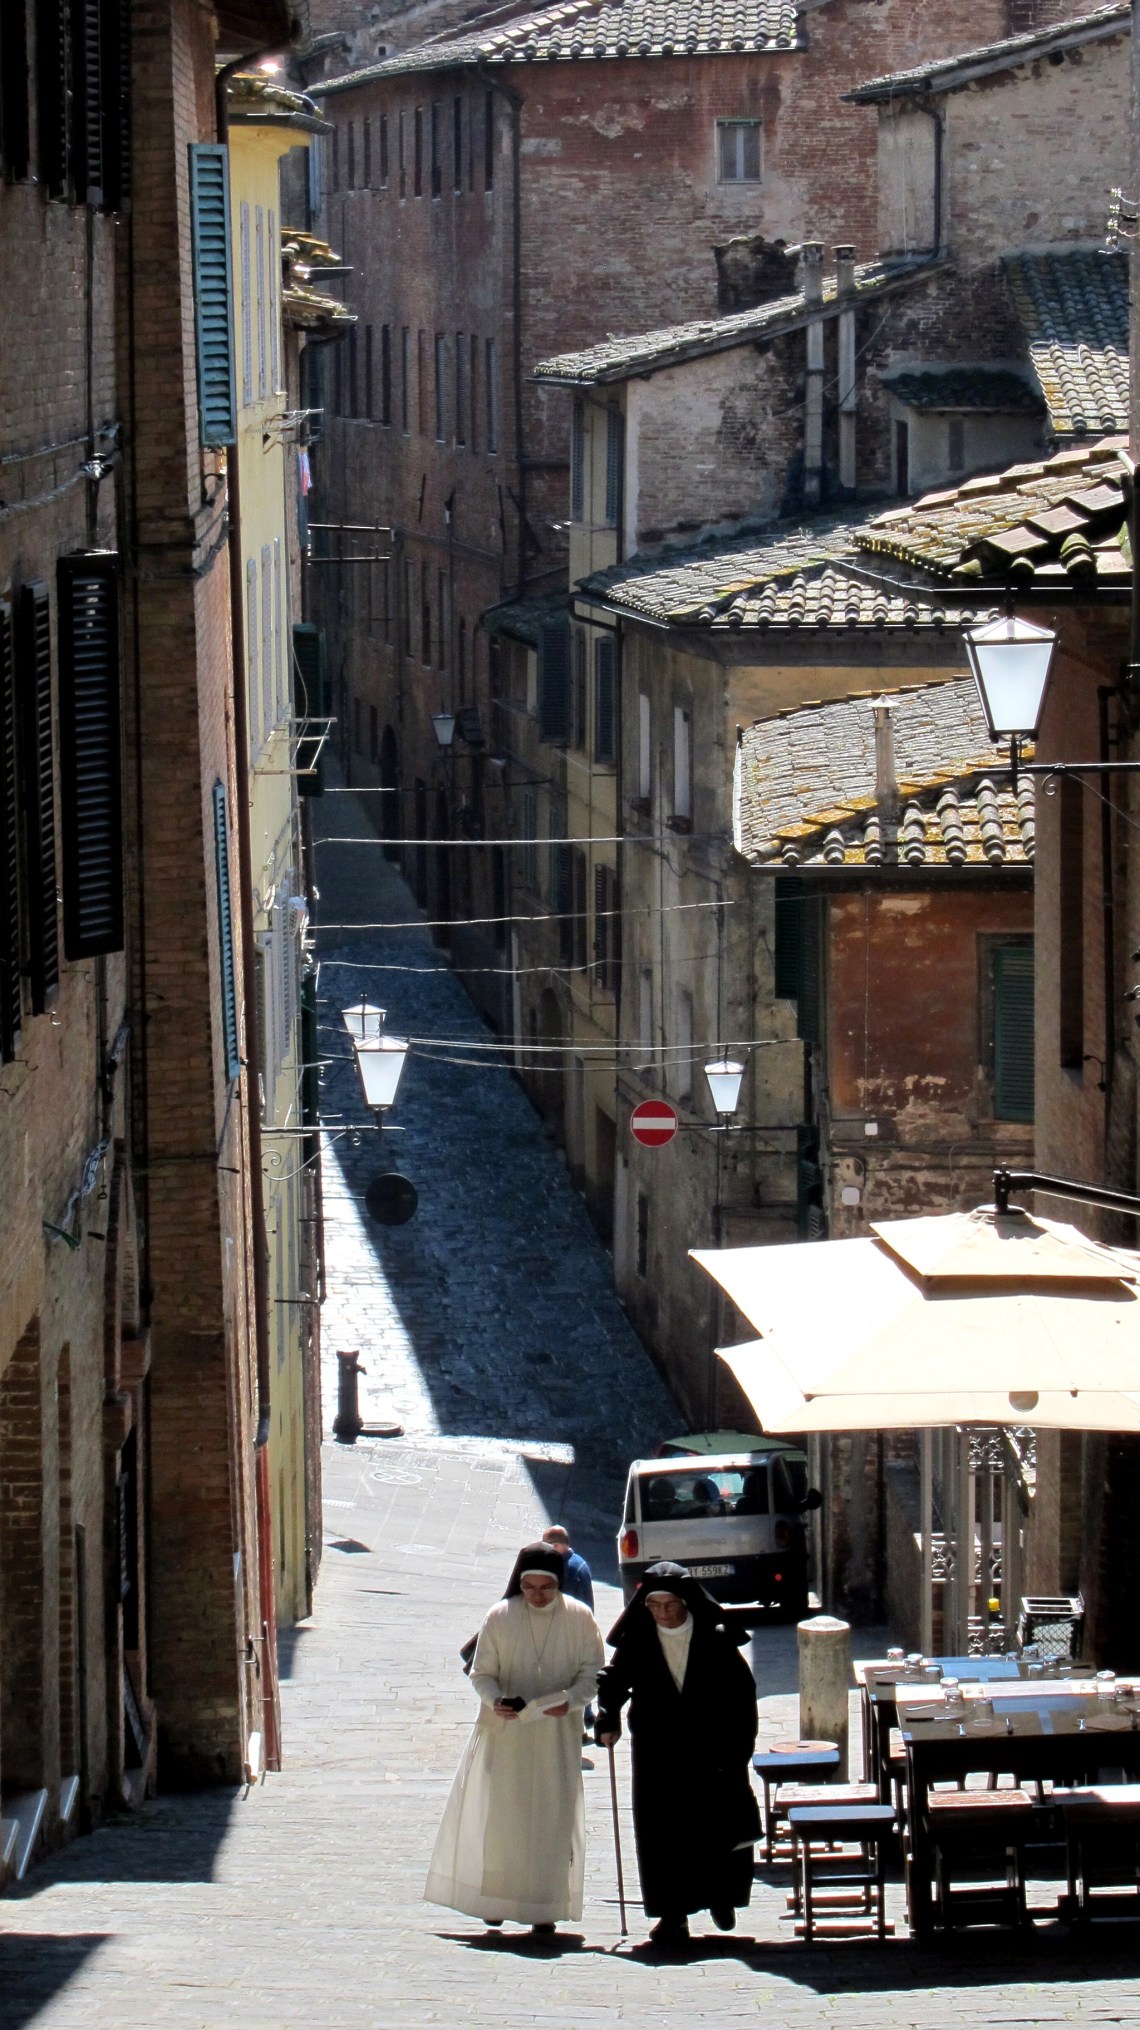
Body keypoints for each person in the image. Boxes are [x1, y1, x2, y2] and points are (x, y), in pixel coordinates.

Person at [425, 1542, 604, 1936]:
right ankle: (497, 1899)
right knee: (504, 1816)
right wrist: (496, 1700)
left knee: (552, 1819)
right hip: (506, 1733)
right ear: (519, 1584)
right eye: (530, 1588)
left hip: (557, 1733)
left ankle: (545, 1905)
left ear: (559, 1585)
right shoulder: (499, 1616)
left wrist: (571, 1701)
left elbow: (593, 1674)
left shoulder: (580, 1618)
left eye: (546, 1588)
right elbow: (482, 1672)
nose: (537, 1596)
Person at [595, 1560, 760, 1947]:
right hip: (658, 1751)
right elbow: (616, 1682)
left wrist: (738, 1751)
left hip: (712, 1748)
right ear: (645, 1606)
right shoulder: (638, 1638)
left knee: (715, 1826)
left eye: (671, 1606)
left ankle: (721, 1897)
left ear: (686, 1602)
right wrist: (609, 1717)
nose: (664, 1614)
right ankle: (673, 1915)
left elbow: (741, 1696)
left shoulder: (715, 1636)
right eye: (656, 1607)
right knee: (662, 1833)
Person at [542, 1524, 594, 1610]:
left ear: (555, 1546)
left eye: (544, 1545)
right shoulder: (580, 1562)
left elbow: (563, 1607)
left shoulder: (567, 1570)